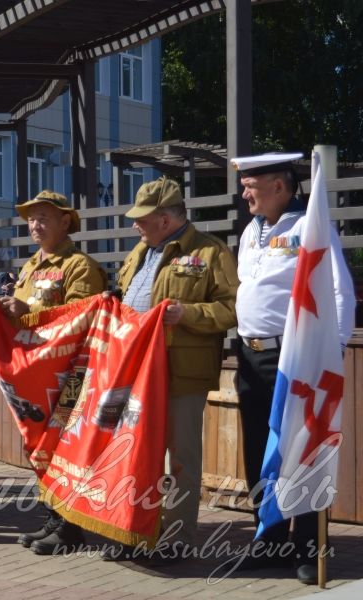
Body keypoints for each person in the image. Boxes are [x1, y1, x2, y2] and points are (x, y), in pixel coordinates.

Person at [231, 153, 355, 584]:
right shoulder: (251, 231)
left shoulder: (309, 226)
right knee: (258, 453)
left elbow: (339, 290)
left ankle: (306, 546)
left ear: (279, 186)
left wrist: (331, 351)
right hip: (250, 356)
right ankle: (270, 539)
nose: (244, 192)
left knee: (302, 452)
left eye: (251, 184)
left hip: (295, 358)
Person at [108, 177, 238, 562]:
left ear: (165, 219)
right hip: (135, 371)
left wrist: (188, 314)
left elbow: (232, 308)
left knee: (180, 459)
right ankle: (134, 531)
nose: (135, 225)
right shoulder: (139, 252)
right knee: (135, 454)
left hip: (181, 372)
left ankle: (176, 539)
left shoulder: (211, 253)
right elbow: (125, 294)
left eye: (142, 219)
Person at [0, 190, 107, 555]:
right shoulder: (30, 266)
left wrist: (26, 308)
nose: (35, 225)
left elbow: (82, 317)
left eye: (43, 217)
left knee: (65, 448)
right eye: (31, 218)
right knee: (40, 447)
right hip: (35, 374)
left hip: (69, 374)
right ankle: (53, 515)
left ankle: (70, 525)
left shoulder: (79, 266)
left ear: (65, 221)